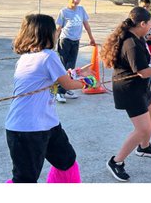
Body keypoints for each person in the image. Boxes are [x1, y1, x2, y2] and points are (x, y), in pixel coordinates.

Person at [5, 13, 94, 183]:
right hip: (28, 129)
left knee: (66, 161)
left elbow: (55, 79)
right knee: (25, 180)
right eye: (55, 30)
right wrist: (88, 82)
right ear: (46, 33)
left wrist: (73, 74)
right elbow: (67, 85)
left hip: (47, 124)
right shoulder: (48, 56)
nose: (57, 33)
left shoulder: (26, 58)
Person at [104, 7, 151, 181]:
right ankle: (116, 161)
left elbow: (147, 59)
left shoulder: (138, 37)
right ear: (142, 23)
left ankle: (144, 147)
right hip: (129, 89)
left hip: (140, 87)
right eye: (150, 23)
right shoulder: (131, 43)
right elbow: (143, 71)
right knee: (143, 128)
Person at [54, 0, 96, 101]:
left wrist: (91, 38)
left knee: (71, 66)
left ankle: (67, 88)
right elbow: (58, 29)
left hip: (76, 41)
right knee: (64, 67)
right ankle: (59, 92)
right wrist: (53, 43)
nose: (76, 1)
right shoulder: (63, 12)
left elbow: (86, 25)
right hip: (65, 41)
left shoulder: (81, 10)